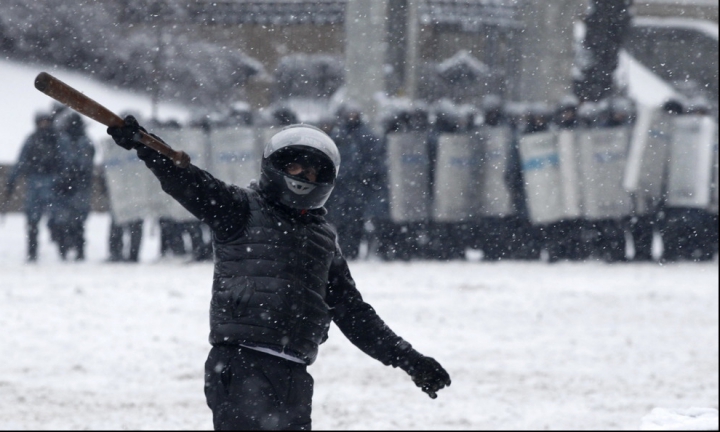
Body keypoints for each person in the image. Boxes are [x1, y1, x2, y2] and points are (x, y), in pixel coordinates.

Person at [107, 116, 451, 430]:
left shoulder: (324, 240)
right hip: (242, 364)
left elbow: (353, 313)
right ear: (276, 166)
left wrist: (410, 359)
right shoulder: (239, 209)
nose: (305, 178)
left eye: (314, 174)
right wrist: (144, 145)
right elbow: (191, 182)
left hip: (294, 373)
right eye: (298, 168)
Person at [4, 111, 67, 262]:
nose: (44, 125)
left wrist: (64, 179)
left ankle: (62, 250)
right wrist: (12, 180)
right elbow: (22, 160)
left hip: (52, 182)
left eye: (46, 121)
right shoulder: (32, 139)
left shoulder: (57, 139)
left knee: (57, 220)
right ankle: (32, 252)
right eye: (41, 122)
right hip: (35, 182)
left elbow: (65, 160)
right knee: (32, 220)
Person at [325, 103, 382, 260]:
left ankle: (353, 252)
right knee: (341, 222)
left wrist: (364, 175)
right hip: (342, 188)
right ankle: (346, 252)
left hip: (358, 188)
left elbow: (374, 161)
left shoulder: (366, 136)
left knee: (356, 223)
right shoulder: (338, 135)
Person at [47, 112, 96, 261]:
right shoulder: (64, 141)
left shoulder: (83, 142)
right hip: (65, 185)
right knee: (65, 220)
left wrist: (74, 175)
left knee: (76, 220)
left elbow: (86, 163)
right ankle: (67, 248)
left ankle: (75, 249)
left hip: (77, 186)